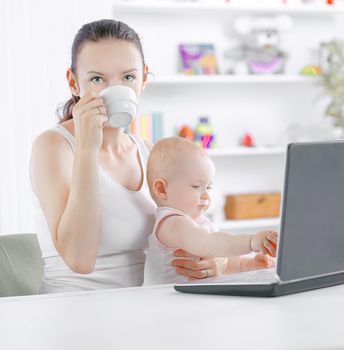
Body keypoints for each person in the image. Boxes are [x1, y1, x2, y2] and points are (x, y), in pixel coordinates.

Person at [30, 19, 227, 293]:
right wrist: (87, 148)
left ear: (144, 79)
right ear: (74, 83)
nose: (114, 88)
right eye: (97, 79)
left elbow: (184, 230)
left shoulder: (149, 152)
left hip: (145, 306)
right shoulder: (53, 146)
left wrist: (214, 262)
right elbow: (79, 259)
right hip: (75, 310)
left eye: (128, 77)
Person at [144, 136, 278, 285]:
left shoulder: (198, 222)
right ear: (162, 189)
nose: (206, 195)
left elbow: (221, 260)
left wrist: (248, 265)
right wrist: (251, 241)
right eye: (196, 186)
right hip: (165, 304)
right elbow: (209, 243)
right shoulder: (172, 223)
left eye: (208, 187)